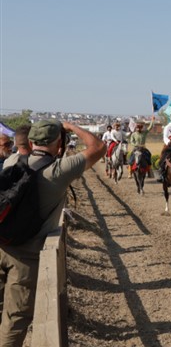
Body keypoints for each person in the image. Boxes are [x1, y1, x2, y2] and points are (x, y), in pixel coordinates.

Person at [0, 119, 105, 346]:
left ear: (30, 141)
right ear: (59, 145)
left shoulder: (12, 161)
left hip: (1, 244)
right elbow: (98, 147)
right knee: (15, 320)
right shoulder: (59, 170)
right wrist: (71, 127)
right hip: (26, 259)